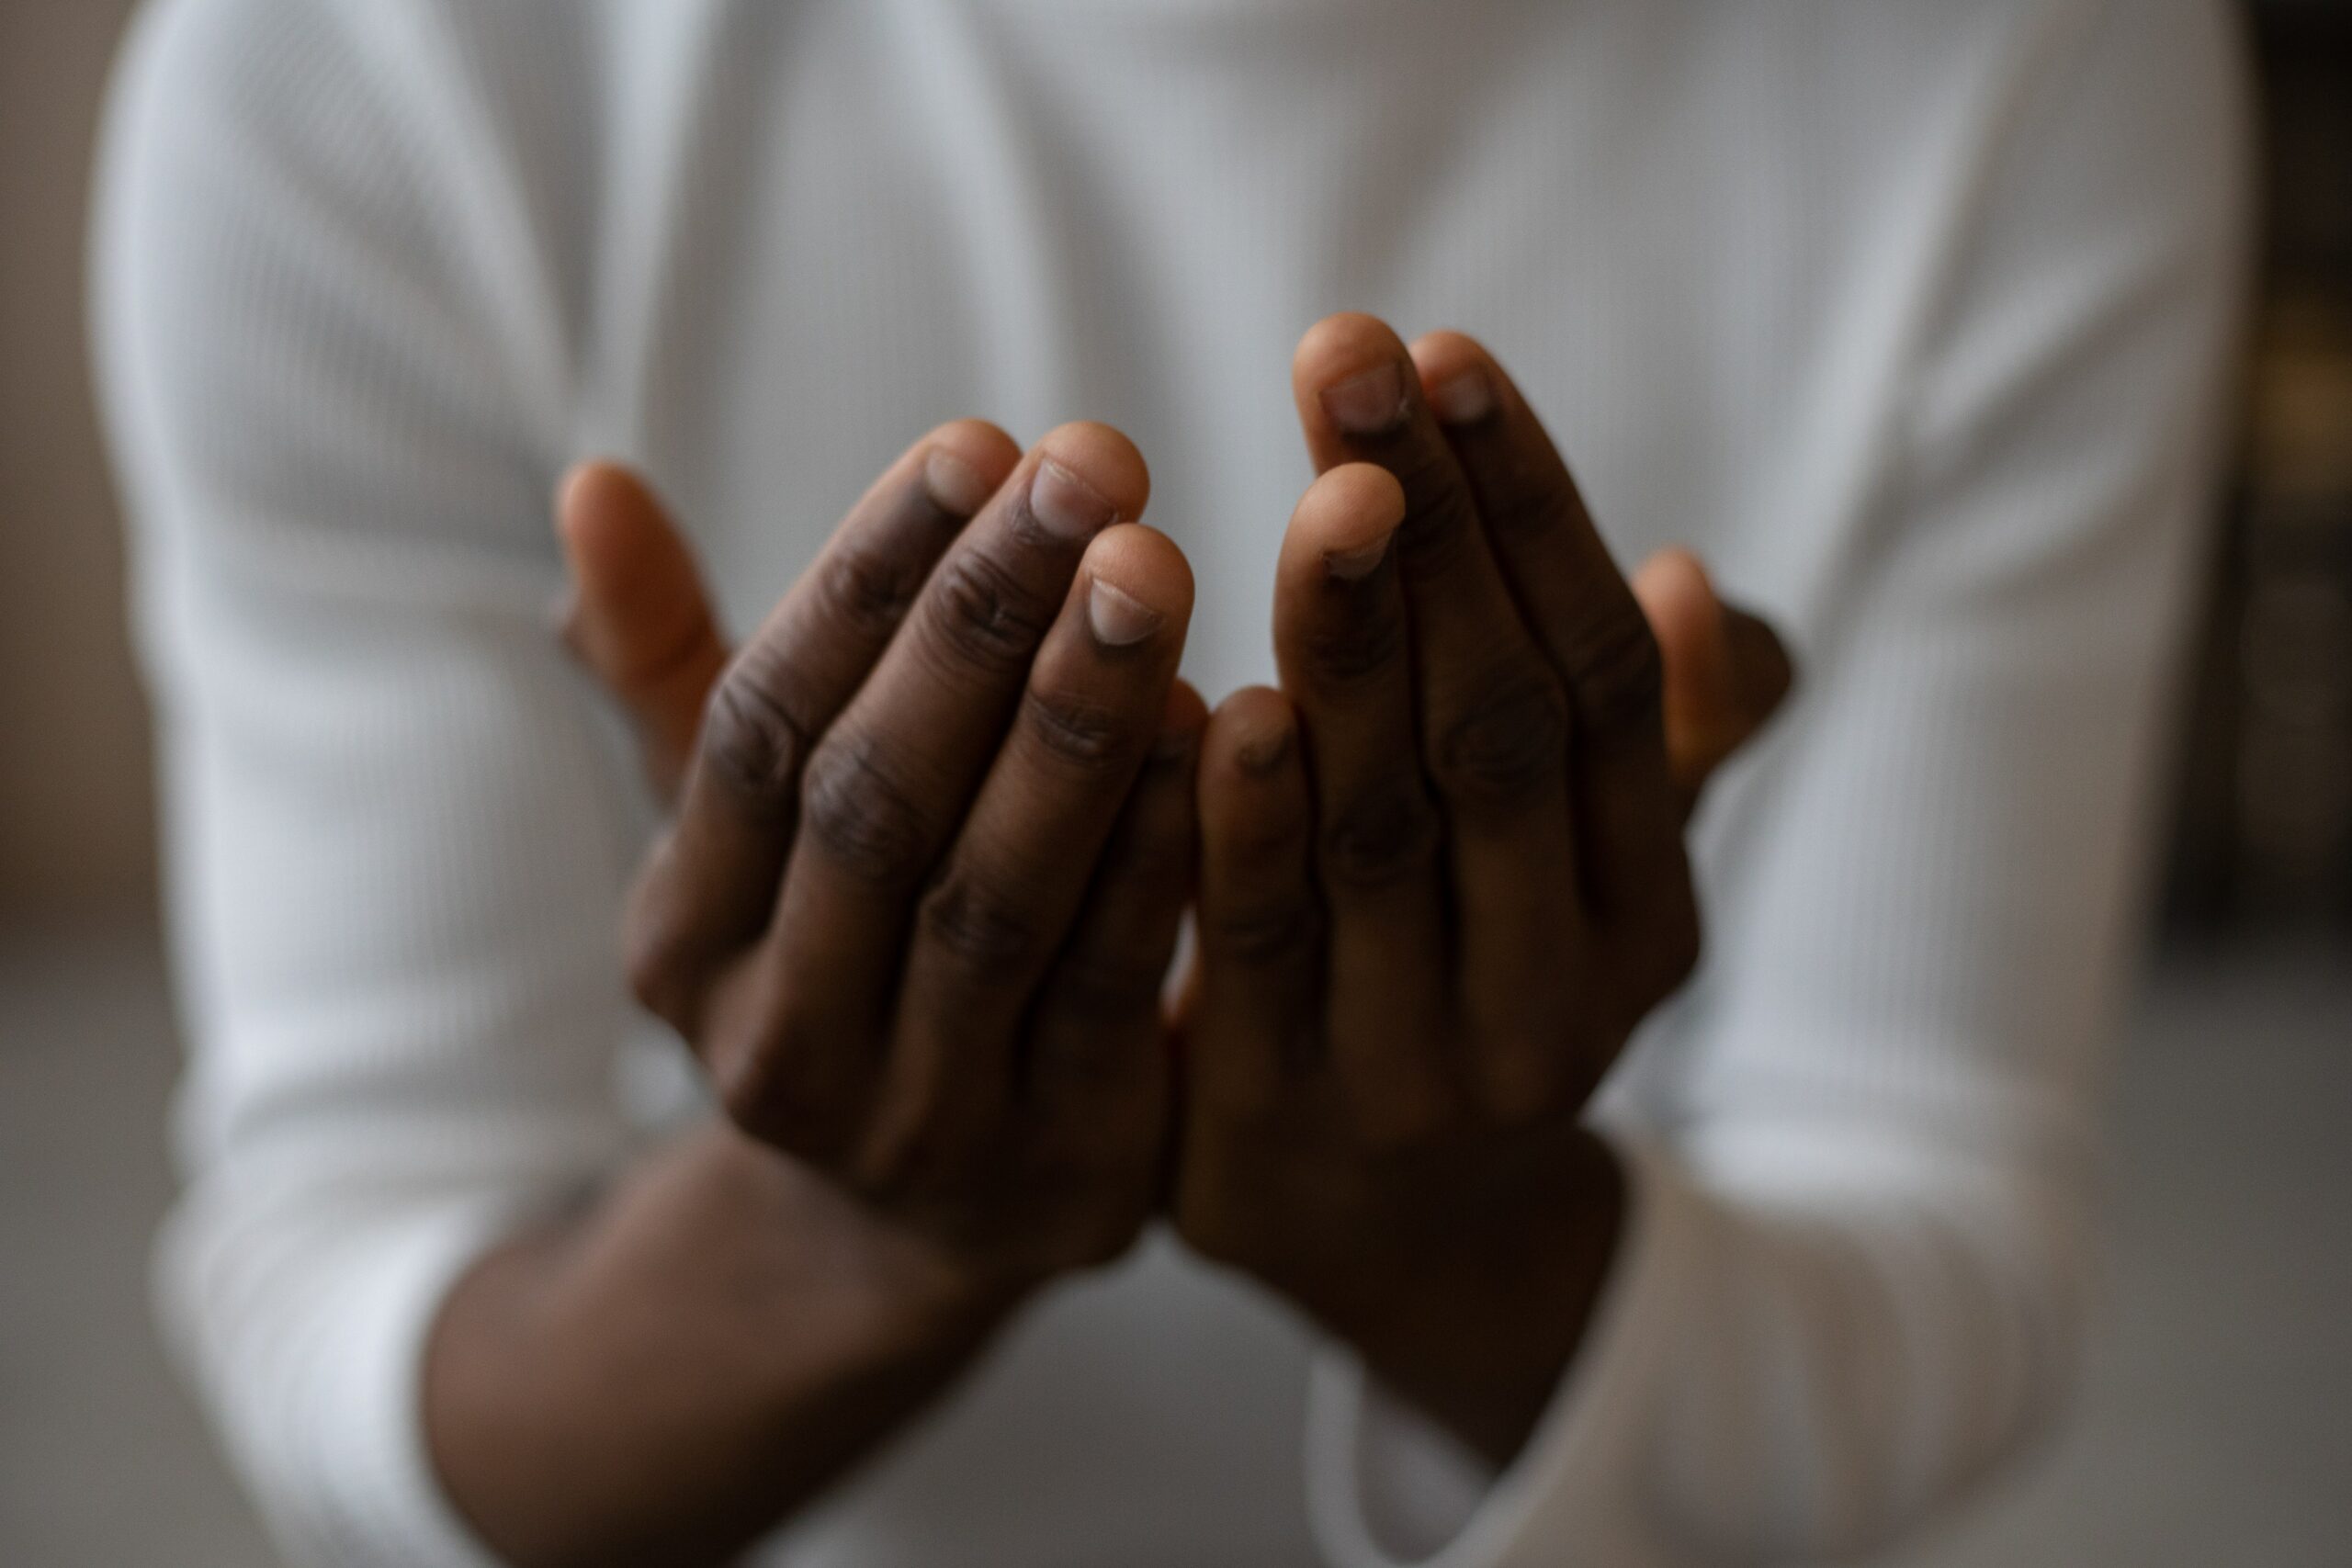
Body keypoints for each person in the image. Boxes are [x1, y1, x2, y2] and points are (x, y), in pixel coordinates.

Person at [91, 2, 2248, 1565]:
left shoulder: (2027, 62)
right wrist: (840, 1234)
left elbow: (1938, 1263)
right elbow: (359, 1338)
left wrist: (1428, 1221)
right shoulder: (369, 66)